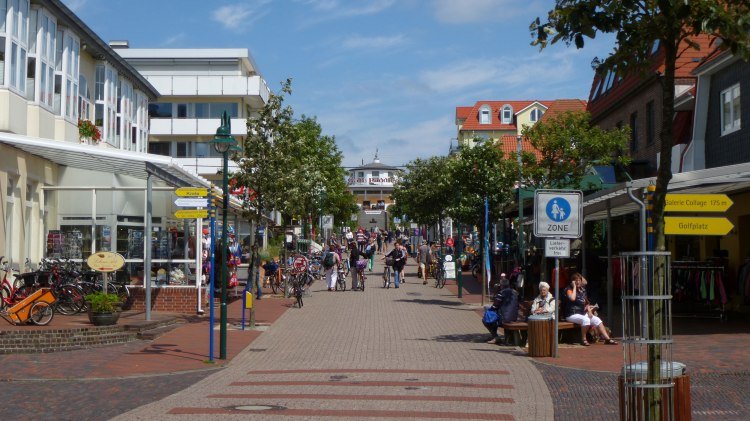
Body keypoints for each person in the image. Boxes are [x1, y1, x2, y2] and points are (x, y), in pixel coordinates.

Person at [564, 273, 617, 346]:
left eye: (579, 280)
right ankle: (583, 339)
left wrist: (589, 311)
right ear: (572, 282)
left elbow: (586, 303)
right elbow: (572, 298)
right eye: (576, 280)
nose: (578, 282)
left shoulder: (582, 290)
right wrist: (574, 287)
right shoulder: (569, 289)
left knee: (597, 320)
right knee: (586, 320)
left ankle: (607, 339)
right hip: (571, 314)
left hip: (581, 313)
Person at [482, 277, 519, 344]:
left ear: (501, 286)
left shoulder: (501, 293)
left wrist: (489, 309)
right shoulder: (515, 293)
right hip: (514, 317)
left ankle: (495, 337)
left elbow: (495, 306)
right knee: (494, 317)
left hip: (504, 318)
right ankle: (498, 337)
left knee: (486, 319)